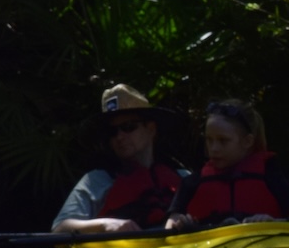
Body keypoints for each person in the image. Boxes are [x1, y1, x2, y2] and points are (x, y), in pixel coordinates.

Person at [52, 85, 189, 234]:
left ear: (150, 129)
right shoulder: (96, 181)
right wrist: (104, 224)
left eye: (128, 127)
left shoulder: (184, 178)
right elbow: (60, 228)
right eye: (112, 131)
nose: (119, 137)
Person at [167, 98, 289, 230]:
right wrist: (179, 223)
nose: (213, 148)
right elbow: (170, 225)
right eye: (209, 140)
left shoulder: (273, 177)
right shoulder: (192, 183)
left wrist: (273, 222)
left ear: (247, 141)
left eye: (223, 141)